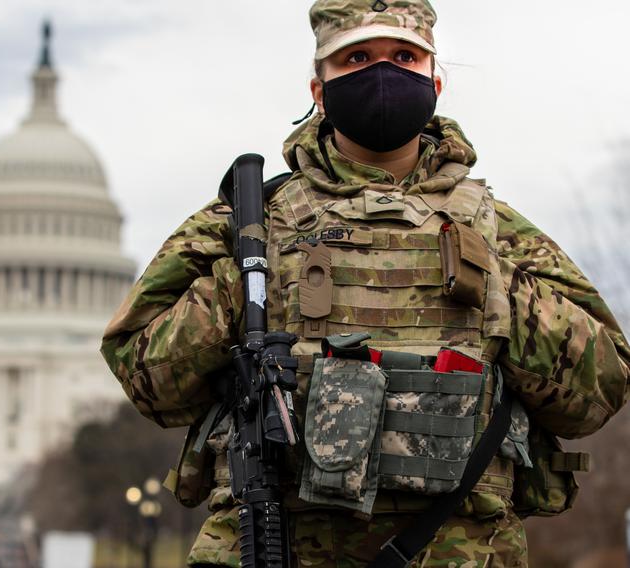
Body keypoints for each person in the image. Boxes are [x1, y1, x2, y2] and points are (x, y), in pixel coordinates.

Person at [101, 1, 630, 566]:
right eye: (356, 58)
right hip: (274, 544)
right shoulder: (248, 223)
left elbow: (599, 392)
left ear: (435, 80)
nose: (382, 73)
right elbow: (143, 376)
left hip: (461, 552)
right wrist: (243, 288)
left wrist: (496, 292)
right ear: (319, 89)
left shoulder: (495, 230)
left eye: (403, 56)